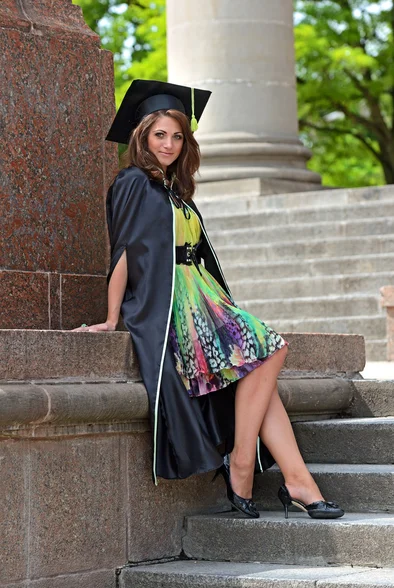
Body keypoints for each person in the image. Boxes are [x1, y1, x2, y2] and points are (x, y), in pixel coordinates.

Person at [73, 79, 344, 520]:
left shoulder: (175, 191)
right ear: (142, 136)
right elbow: (122, 252)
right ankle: (244, 463)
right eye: (160, 134)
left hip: (206, 296)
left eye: (177, 136)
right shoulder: (132, 183)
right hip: (176, 303)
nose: (169, 144)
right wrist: (110, 317)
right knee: (271, 348)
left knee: (261, 371)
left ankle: (298, 483)